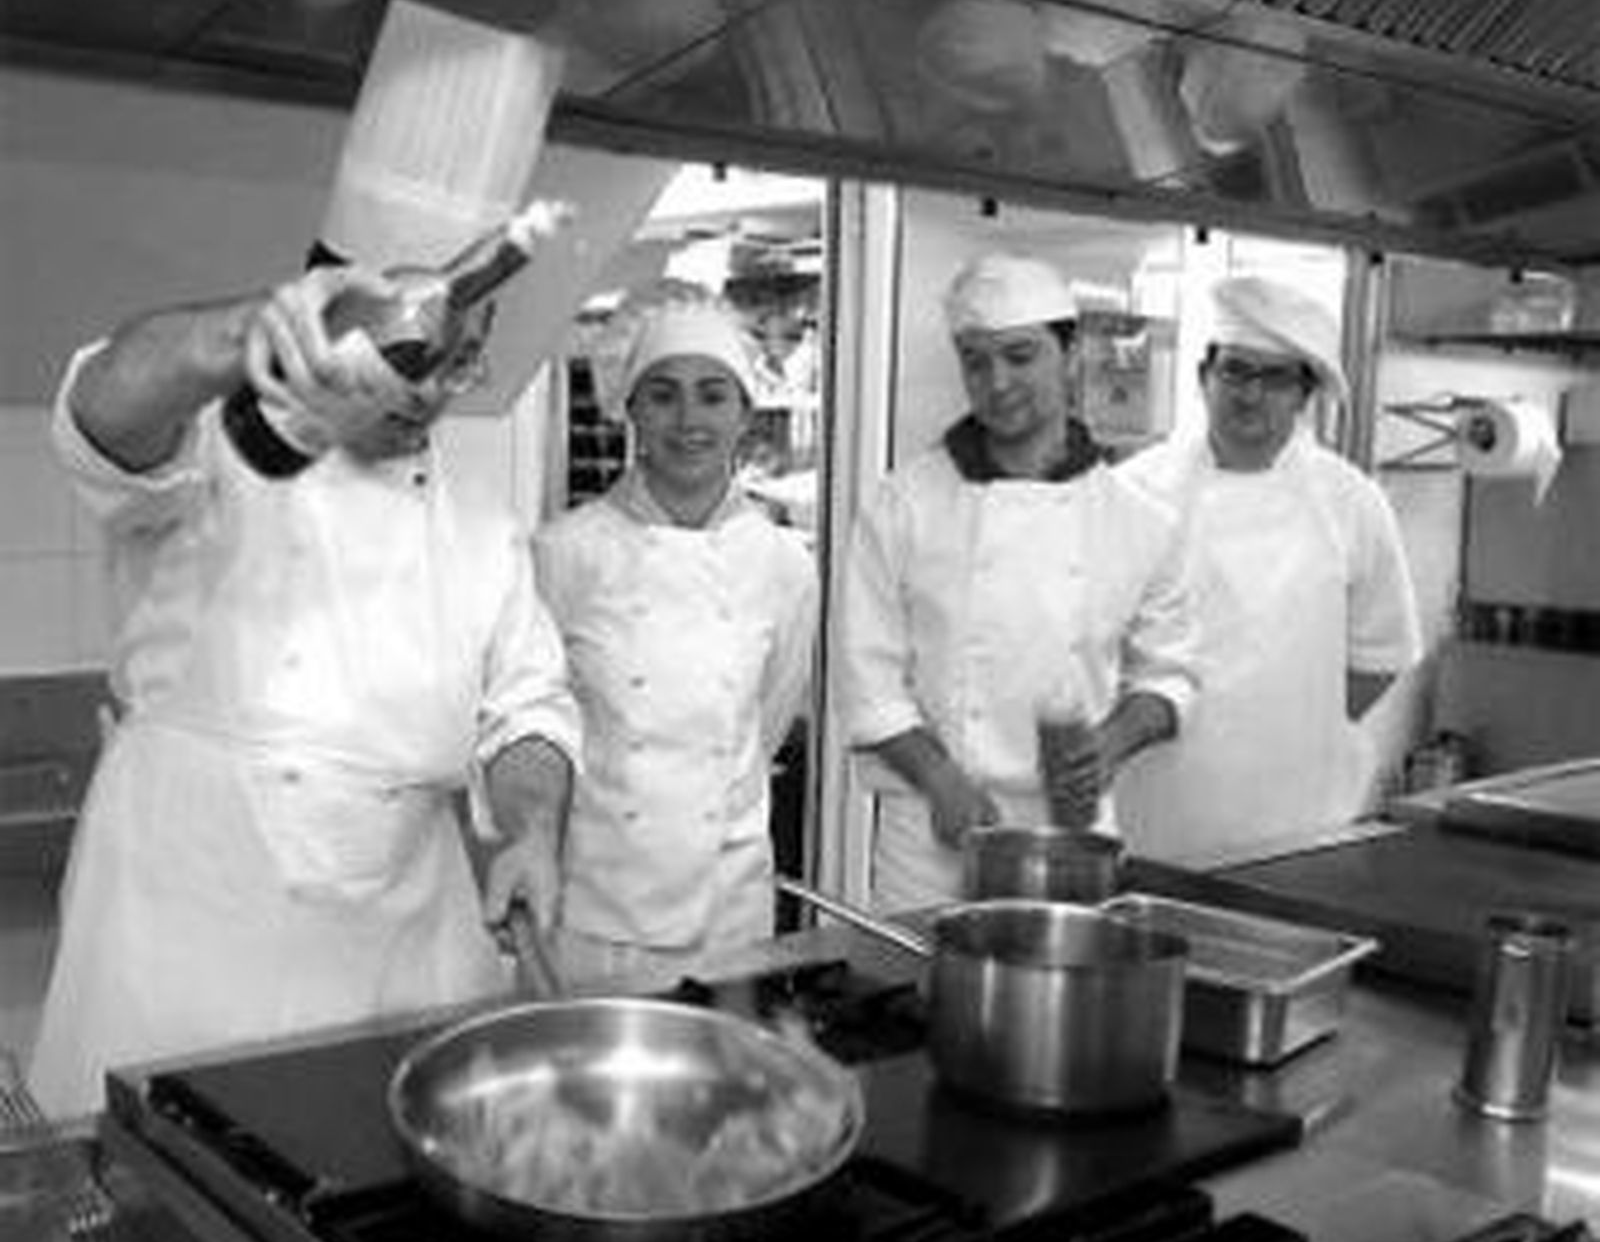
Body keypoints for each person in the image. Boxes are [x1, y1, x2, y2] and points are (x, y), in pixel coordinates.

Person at [28, 260, 581, 1119]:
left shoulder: (483, 528)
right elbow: (101, 405)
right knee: (164, 1176)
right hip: (183, 937)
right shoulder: (215, 447)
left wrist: (534, 830)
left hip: (401, 953)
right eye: (403, 353)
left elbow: (528, 710)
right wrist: (275, 327)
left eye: (457, 361)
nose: (425, 389)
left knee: (375, 1177)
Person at [840, 252, 1201, 911]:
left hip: (1070, 831)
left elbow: (1169, 676)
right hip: (931, 828)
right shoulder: (902, 504)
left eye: (1020, 355)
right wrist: (938, 776)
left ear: (1070, 356)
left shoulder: (1140, 520)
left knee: (1065, 977)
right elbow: (868, 682)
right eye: (976, 361)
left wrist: (1110, 745)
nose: (997, 382)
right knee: (908, 976)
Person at [533, 290, 818, 984]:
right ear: (629, 408)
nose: (689, 420)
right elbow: (533, 725)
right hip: (598, 907)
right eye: (663, 395)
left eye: (712, 395)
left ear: (744, 411)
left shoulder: (783, 564)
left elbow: (766, 723)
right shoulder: (564, 552)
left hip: (730, 905)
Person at [1115, 274, 1423, 864]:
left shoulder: (1351, 501)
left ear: (1303, 395)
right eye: (1234, 370)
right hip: (1161, 815)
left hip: (1303, 821)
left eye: (1276, 378)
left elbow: (1380, 658)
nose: (1250, 394)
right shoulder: (1133, 491)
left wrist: (1289, 724)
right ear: (1204, 377)